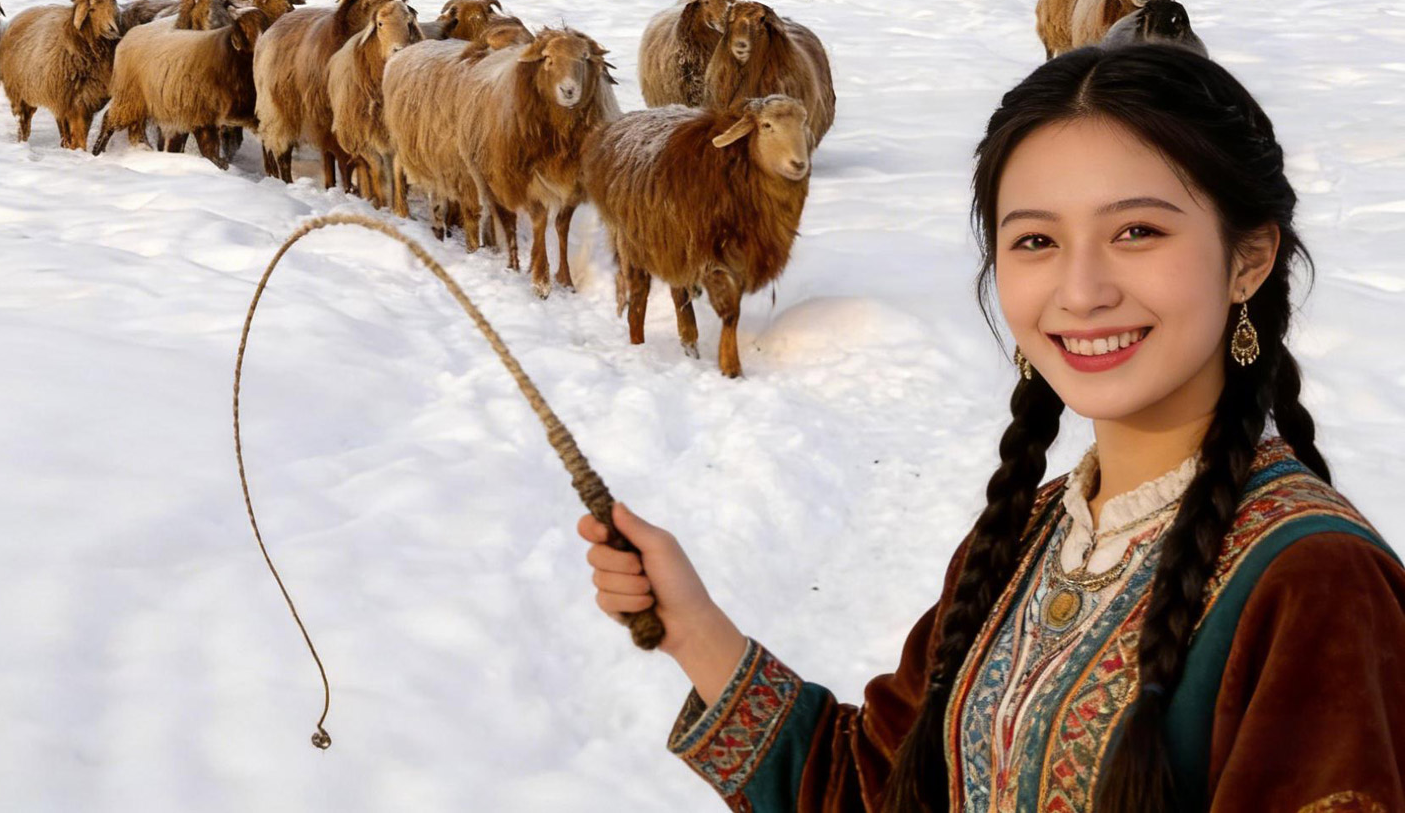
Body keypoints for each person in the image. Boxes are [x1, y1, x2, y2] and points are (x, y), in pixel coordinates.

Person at [578, 43, 1404, 811]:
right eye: (1036, 240)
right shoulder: (1020, 537)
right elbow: (877, 787)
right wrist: (690, 625)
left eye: (1136, 232)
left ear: (1250, 259)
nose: (1080, 292)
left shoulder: (1318, 584)